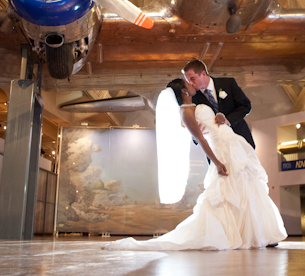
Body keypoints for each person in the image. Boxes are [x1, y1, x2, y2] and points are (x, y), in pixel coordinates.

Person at [104, 78, 287, 251]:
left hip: (233, 145)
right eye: (187, 83)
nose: (192, 84)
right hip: (221, 151)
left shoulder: (194, 104)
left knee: (245, 187)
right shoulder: (185, 111)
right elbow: (201, 139)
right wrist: (216, 163)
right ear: (184, 90)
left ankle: (251, 233)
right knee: (227, 191)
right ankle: (233, 234)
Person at [183, 59, 255, 150]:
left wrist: (227, 120)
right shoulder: (192, 98)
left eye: (193, 79)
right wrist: (196, 134)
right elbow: (191, 124)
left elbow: (246, 105)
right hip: (216, 148)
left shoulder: (228, 84)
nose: (190, 83)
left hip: (239, 138)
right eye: (188, 80)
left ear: (203, 74)